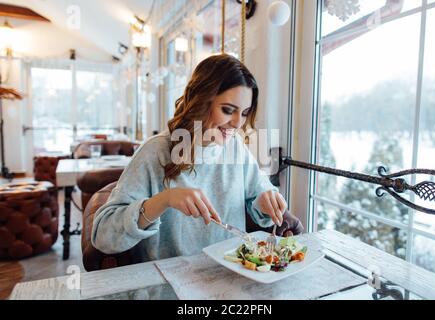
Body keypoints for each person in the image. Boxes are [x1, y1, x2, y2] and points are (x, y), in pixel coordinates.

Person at [91, 54, 300, 261]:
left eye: (245, 113)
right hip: (169, 286)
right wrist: (164, 200)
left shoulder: (235, 147)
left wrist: (264, 200)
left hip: (231, 276)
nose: (238, 123)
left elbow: (260, 194)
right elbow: (103, 236)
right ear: (200, 101)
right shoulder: (154, 152)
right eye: (228, 110)